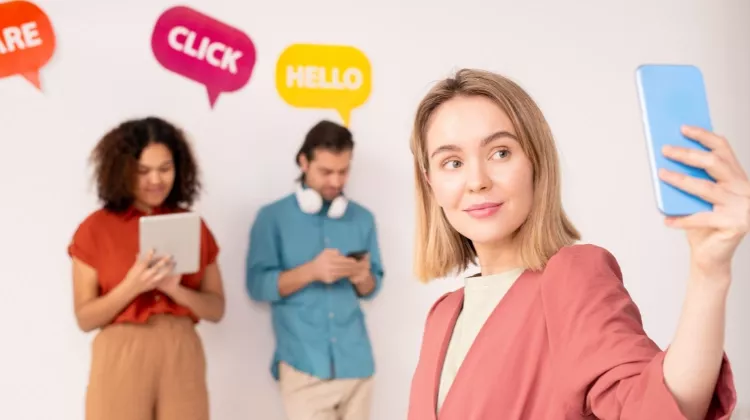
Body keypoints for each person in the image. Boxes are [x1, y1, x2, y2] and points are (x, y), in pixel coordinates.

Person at [406, 69, 745, 419]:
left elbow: (653, 406)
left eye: (501, 153)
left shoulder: (571, 277)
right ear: (430, 183)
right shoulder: (443, 314)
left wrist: (710, 270)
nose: (477, 181)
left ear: (536, 161)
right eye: (453, 162)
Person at [68, 117, 225, 420]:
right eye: (143, 171)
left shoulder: (193, 226)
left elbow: (216, 309)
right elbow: (85, 318)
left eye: (165, 169)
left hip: (181, 350)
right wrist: (133, 285)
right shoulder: (94, 229)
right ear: (122, 170)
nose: (156, 180)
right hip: (121, 350)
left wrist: (175, 290)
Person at [245, 120, 384, 420]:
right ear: (303, 162)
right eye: (326, 171)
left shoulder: (363, 219)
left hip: (357, 366)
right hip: (304, 368)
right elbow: (257, 285)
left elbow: (374, 286)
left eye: (343, 171)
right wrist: (311, 271)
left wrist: (363, 278)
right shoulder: (272, 218)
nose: (336, 181)